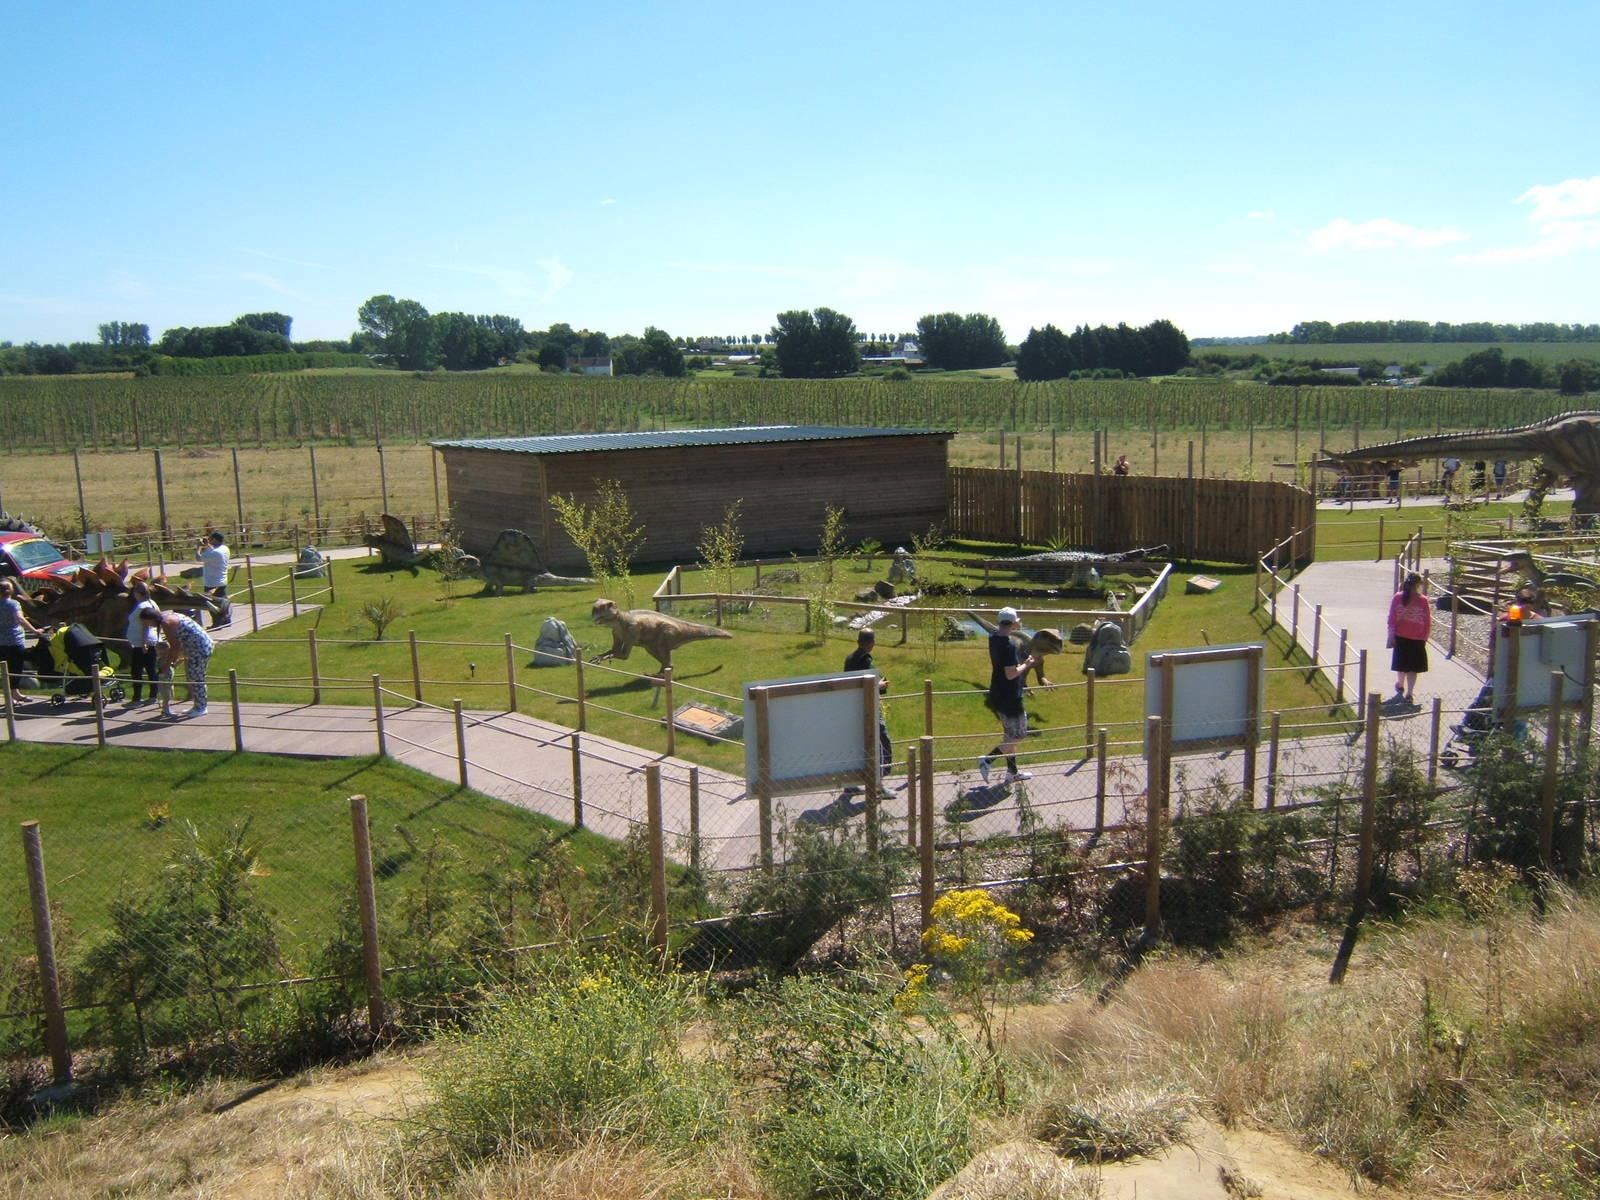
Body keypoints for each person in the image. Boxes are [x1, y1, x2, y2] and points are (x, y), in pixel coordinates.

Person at [977, 607, 1035, 784]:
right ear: (1014, 623)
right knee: (1019, 735)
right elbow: (1010, 674)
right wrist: (1027, 664)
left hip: (998, 692)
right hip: (1010, 697)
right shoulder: (1008, 645)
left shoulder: (994, 636)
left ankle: (1012, 773)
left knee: (1009, 737)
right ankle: (987, 760)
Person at [842, 628, 892, 790]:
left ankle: (850, 783)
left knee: (856, 744)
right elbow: (868, 683)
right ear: (872, 644)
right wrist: (881, 685)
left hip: (851, 706)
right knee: (882, 742)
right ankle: (879, 783)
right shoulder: (866, 659)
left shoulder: (849, 659)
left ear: (858, 642)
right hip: (868, 707)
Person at [143, 608, 214, 718]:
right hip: (198, 646)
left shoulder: (166, 623)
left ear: (152, 619)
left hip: (199, 648)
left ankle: (201, 707)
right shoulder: (169, 616)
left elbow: (174, 646)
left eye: (146, 622)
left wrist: (167, 665)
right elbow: (178, 644)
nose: (147, 625)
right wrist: (175, 658)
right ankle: (197, 706)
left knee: (196, 678)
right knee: (193, 676)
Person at [1386, 572, 1431, 706]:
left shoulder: (1398, 597)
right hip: (1417, 638)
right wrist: (1425, 636)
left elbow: (1392, 617)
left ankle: (1400, 685)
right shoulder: (1423, 600)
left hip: (1401, 636)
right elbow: (1427, 620)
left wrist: (1391, 633)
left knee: (1401, 665)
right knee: (1413, 668)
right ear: (1418, 584)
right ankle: (1410, 693)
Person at [0, 580, 44, 705]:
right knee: (15, 668)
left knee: (5, 669)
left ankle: (13, 694)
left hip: (1, 642)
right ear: (11, 591)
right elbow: (20, 618)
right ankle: (13, 694)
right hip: (14, 640)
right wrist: (35, 631)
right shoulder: (14, 604)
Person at [123, 580, 161, 705]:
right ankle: (152, 695)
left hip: (142, 643)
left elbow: (146, 625)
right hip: (144, 642)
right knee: (150, 669)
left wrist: (144, 643)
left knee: (138, 670)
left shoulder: (143, 606)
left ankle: (138, 697)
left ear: (138, 593)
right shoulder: (151, 603)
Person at [197, 531, 232, 628]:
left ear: (215, 540)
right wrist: (207, 545)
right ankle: (226, 620)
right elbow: (212, 551)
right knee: (223, 603)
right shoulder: (224, 548)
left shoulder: (214, 552)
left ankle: (216, 623)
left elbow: (199, 558)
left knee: (211, 604)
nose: (209, 540)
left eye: (211, 539)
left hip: (212, 582)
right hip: (221, 580)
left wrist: (198, 547)